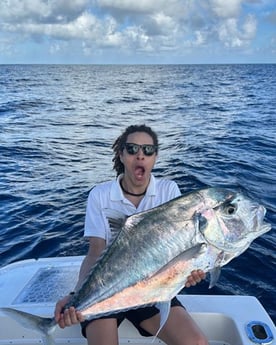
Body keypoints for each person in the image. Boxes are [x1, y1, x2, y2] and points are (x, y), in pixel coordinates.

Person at [54, 124, 208, 345]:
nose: (140, 155)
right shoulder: (100, 195)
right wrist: (75, 295)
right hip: (106, 290)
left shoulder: (169, 191)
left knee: (196, 343)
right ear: (121, 154)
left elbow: (181, 252)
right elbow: (95, 252)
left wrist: (188, 273)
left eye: (148, 150)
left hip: (153, 289)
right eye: (132, 148)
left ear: (155, 157)